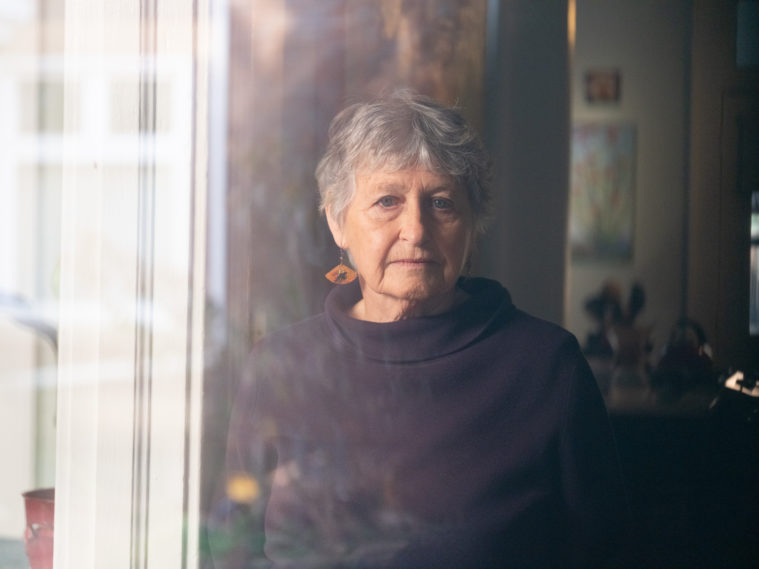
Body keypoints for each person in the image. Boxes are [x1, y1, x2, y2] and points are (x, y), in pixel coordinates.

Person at [211, 89, 627, 569]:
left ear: (473, 225)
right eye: (387, 201)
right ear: (337, 223)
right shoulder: (279, 367)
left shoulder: (546, 367)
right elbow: (234, 550)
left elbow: (603, 552)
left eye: (442, 203)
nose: (416, 229)